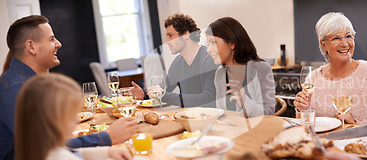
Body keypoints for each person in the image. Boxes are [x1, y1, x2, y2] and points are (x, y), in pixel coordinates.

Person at [0, 15, 137, 160]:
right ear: (31, 46)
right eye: (51, 39)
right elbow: (48, 147)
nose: (58, 44)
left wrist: (105, 151)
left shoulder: (28, 82)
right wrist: (107, 137)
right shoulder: (17, 89)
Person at [293, 12, 367, 124]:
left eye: (348, 36)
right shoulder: (313, 78)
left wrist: (358, 124)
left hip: (359, 140)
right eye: (336, 38)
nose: (344, 44)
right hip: (324, 141)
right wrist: (302, 110)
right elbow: (306, 124)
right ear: (323, 44)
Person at [15, 73, 132, 160]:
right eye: (72, 116)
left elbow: (75, 152)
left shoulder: (40, 148)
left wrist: (108, 152)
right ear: (53, 121)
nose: (77, 121)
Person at [132, 13, 219, 107]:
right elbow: (164, 89)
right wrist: (143, 94)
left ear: (186, 35)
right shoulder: (178, 63)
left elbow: (208, 98)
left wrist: (163, 95)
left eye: (170, 35)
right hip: (188, 117)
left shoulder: (210, 58)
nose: (166, 41)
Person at [205, 17, 275, 117]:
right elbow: (221, 112)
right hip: (231, 131)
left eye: (213, 42)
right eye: (207, 44)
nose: (208, 50)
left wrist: (245, 103)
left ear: (232, 43)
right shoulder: (219, 74)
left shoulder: (261, 69)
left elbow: (269, 113)